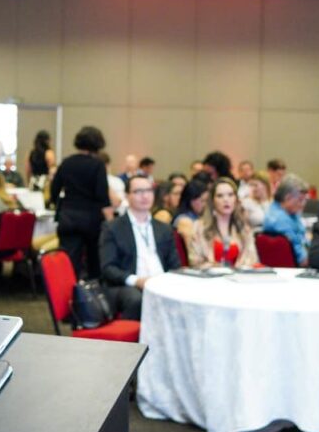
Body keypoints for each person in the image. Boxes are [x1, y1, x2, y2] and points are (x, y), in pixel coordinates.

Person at [99, 175, 181, 319]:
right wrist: (137, 280)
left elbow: (175, 265)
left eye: (148, 191)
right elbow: (108, 268)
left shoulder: (164, 228)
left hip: (161, 283)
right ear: (127, 195)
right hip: (130, 285)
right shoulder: (113, 228)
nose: (145, 196)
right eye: (138, 191)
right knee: (136, 298)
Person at [50, 126, 109, 278]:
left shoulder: (66, 162)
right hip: (91, 219)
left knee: (69, 260)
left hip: (68, 216)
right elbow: (102, 195)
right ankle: (92, 293)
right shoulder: (97, 165)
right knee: (93, 260)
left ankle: (67, 293)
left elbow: (54, 189)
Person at [187, 177, 257, 269]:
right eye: (220, 196)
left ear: (236, 199)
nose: (226, 200)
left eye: (230, 195)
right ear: (213, 201)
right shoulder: (199, 227)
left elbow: (252, 259)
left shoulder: (244, 228)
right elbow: (195, 261)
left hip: (239, 279)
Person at [263, 173, 309, 265]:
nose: (303, 204)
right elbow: (302, 260)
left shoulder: (290, 213)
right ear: (287, 198)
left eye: (305, 200)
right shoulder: (279, 220)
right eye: (300, 200)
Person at [172, 177, 210, 241]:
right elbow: (192, 247)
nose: (205, 204)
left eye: (207, 201)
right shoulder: (183, 220)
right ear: (191, 200)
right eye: (203, 200)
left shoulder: (200, 217)